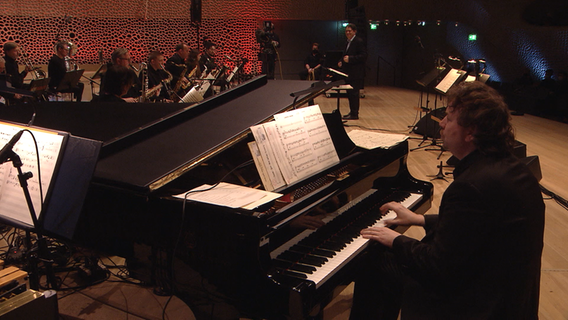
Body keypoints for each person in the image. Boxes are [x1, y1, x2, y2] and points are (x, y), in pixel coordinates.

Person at [349, 81, 545, 320]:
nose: (440, 123)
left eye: (449, 118)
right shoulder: (514, 168)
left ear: (471, 131)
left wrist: (397, 240)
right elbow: (477, 226)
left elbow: (437, 268)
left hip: (476, 306)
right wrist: (420, 219)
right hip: (511, 301)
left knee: (376, 259)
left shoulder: (470, 186)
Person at [338, 23, 367, 120]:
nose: (347, 32)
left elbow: (363, 56)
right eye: (346, 31)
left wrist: (350, 59)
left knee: (354, 94)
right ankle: (352, 112)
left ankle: (355, 114)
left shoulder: (358, 41)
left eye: (349, 31)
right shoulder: (348, 42)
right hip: (349, 73)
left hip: (356, 73)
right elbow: (346, 55)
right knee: (350, 94)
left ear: (354, 31)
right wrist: (342, 61)